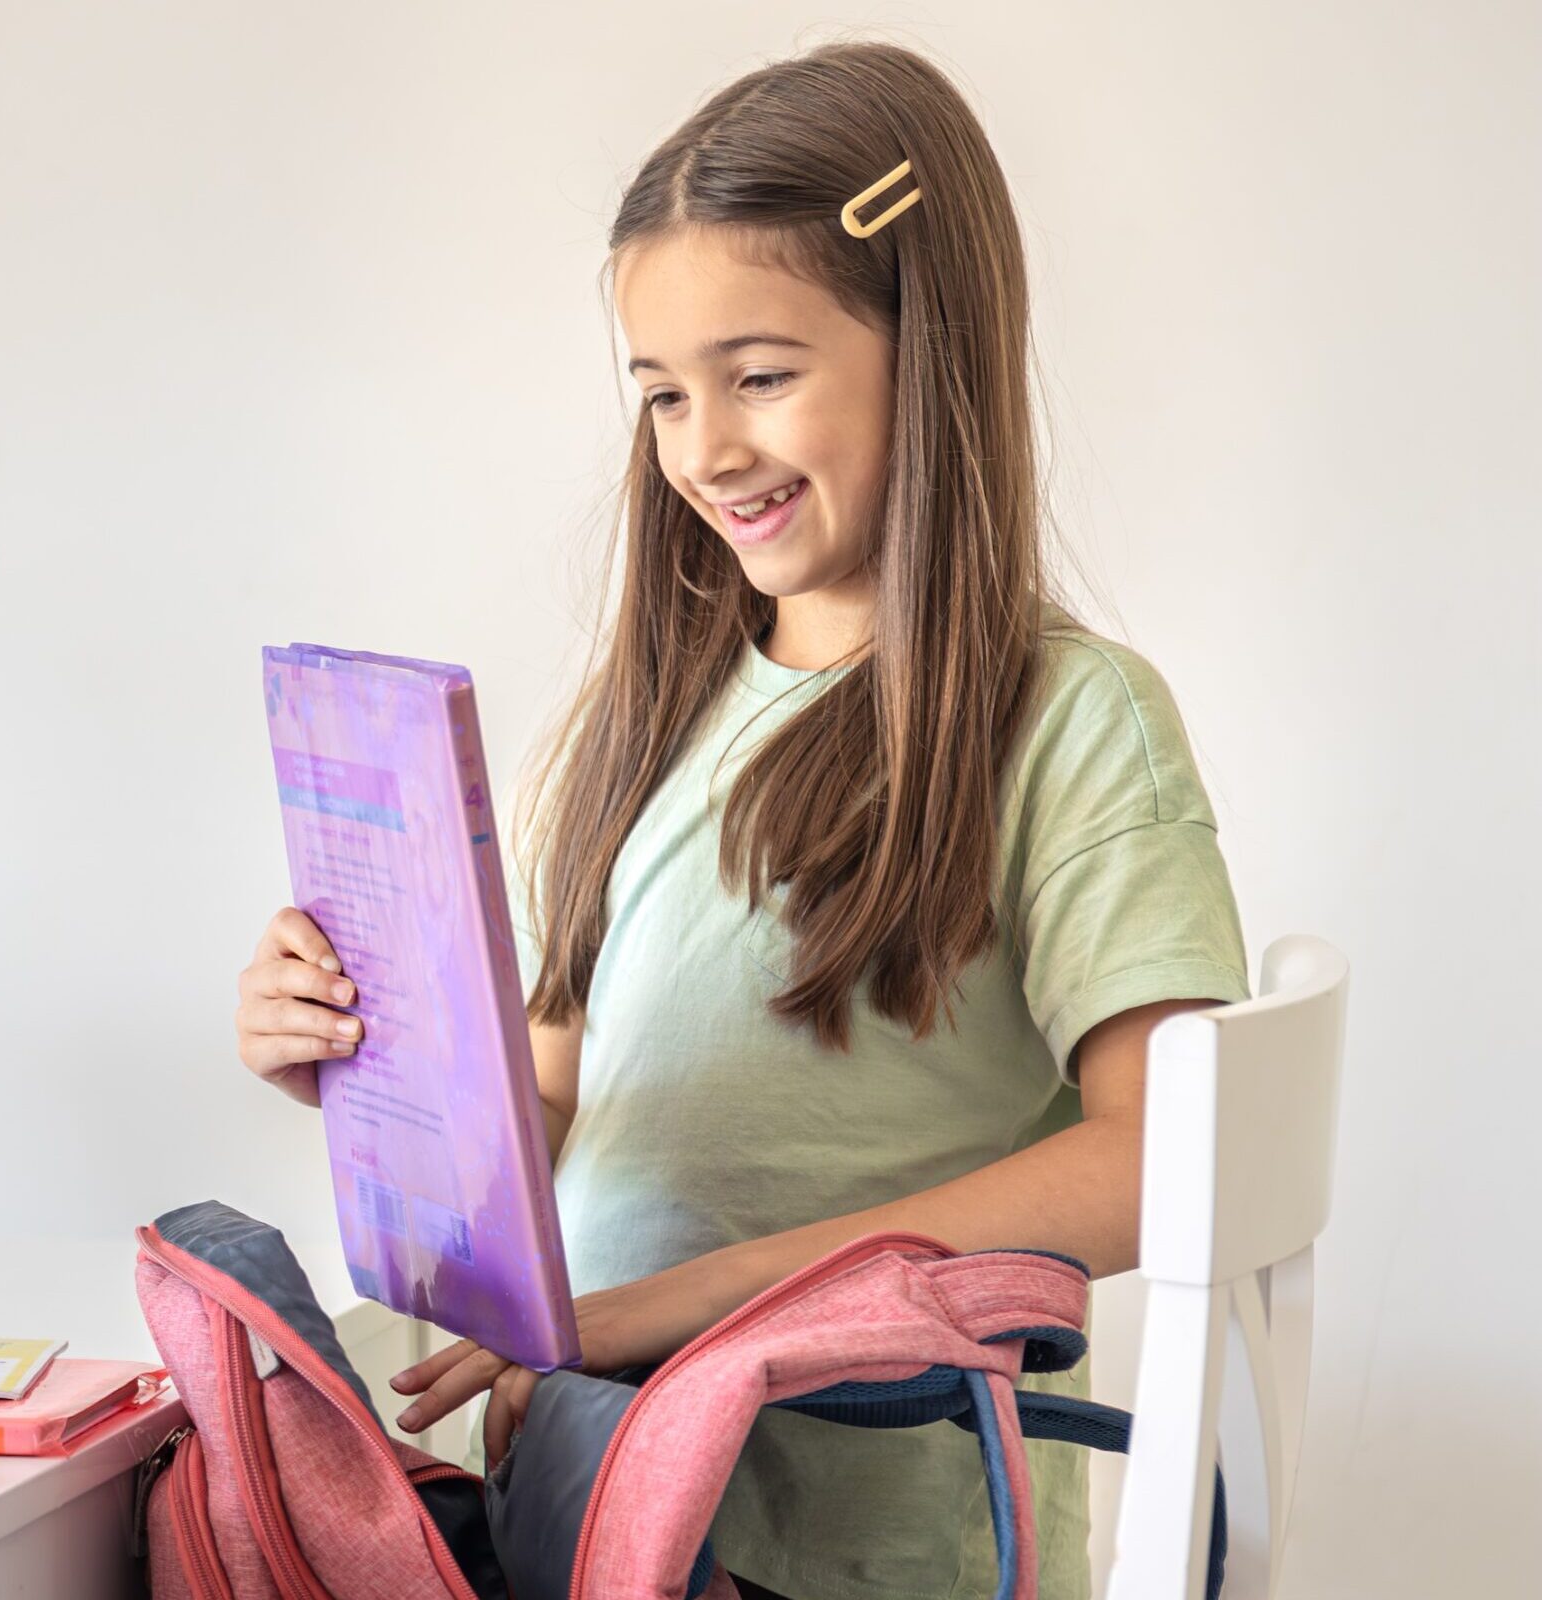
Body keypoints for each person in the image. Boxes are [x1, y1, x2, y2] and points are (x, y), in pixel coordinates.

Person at [229, 38, 1250, 1600]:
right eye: (662, 394)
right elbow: (560, 1089)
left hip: (859, 1552)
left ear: (931, 348)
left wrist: (701, 1303)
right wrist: (372, 1071)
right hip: (605, 1496)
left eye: (761, 376)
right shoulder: (654, 714)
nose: (704, 449)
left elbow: (1164, 1156)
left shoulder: (1068, 719)